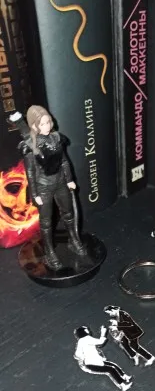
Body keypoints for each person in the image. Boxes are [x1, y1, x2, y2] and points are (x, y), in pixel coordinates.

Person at [16, 105, 86, 270]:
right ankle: (49, 251)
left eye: (48, 122)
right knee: (46, 221)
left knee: (68, 213)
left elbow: (64, 161)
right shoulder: (30, 145)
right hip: (43, 187)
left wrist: (69, 179)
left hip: (60, 182)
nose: (47, 126)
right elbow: (30, 172)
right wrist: (35, 194)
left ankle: (73, 239)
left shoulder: (56, 138)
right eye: (43, 124)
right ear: (34, 126)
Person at [73, 325, 133, 391]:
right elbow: (100, 342)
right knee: (111, 369)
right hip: (93, 364)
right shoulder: (86, 339)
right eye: (86, 329)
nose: (88, 330)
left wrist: (84, 358)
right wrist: (103, 332)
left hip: (93, 363)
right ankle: (123, 385)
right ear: (83, 331)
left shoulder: (81, 341)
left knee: (112, 366)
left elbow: (77, 354)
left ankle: (124, 377)